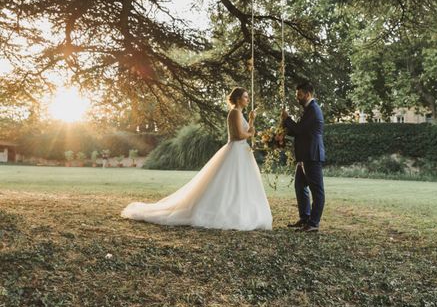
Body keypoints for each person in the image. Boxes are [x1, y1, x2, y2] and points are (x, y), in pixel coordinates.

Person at [121, 87, 272, 230]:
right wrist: (251, 133)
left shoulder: (240, 113)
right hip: (236, 151)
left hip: (242, 151)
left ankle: (241, 211)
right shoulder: (234, 113)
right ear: (238, 99)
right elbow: (239, 135)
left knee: (240, 184)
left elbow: (247, 131)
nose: (248, 99)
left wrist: (251, 120)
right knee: (229, 183)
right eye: (245, 97)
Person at [281, 80, 325, 232]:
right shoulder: (308, 110)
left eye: (299, 95)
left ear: (308, 94)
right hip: (304, 156)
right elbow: (298, 131)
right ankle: (305, 218)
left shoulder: (313, 109)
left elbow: (299, 129)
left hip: (312, 156)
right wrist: (284, 132)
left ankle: (313, 223)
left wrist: (287, 119)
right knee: (300, 186)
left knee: (317, 190)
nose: (297, 98)